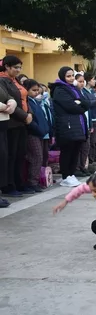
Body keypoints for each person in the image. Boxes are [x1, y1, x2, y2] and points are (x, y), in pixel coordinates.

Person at [50, 66, 96, 187]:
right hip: (67, 125)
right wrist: (80, 104)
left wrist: (80, 103)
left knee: (75, 151)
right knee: (67, 151)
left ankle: (71, 174)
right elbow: (72, 107)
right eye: (68, 76)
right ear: (62, 77)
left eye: (72, 76)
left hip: (77, 124)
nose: (71, 78)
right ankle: (66, 176)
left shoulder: (73, 88)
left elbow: (84, 102)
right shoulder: (59, 90)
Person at [0, 55, 32, 197]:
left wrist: (29, 113)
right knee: (10, 155)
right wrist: (24, 116)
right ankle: (9, 185)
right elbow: (8, 101)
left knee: (20, 154)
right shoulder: (2, 80)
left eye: (20, 67)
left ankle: (19, 182)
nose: (18, 70)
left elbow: (24, 98)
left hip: (21, 123)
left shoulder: (16, 80)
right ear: (7, 67)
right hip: (11, 122)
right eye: (15, 67)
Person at [23, 80, 49, 192]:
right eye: (33, 90)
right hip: (33, 133)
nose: (37, 92)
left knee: (40, 157)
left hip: (41, 133)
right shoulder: (27, 102)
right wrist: (39, 130)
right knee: (36, 157)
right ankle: (32, 182)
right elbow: (30, 121)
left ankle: (36, 180)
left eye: (38, 90)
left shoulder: (35, 101)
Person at [0, 72, 17, 207]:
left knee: (2, 158)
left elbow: (9, 96)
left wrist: (12, 103)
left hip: (3, 124)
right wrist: (3, 107)